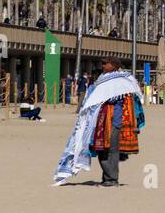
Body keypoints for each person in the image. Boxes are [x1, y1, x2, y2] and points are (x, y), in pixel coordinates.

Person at [52, 57, 145, 186]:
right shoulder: (102, 79)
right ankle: (107, 178)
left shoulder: (122, 80)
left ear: (113, 65)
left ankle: (111, 179)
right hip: (101, 120)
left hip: (114, 120)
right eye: (102, 64)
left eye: (105, 63)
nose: (102, 66)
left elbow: (119, 99)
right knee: (102, 149)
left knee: (110, 150)